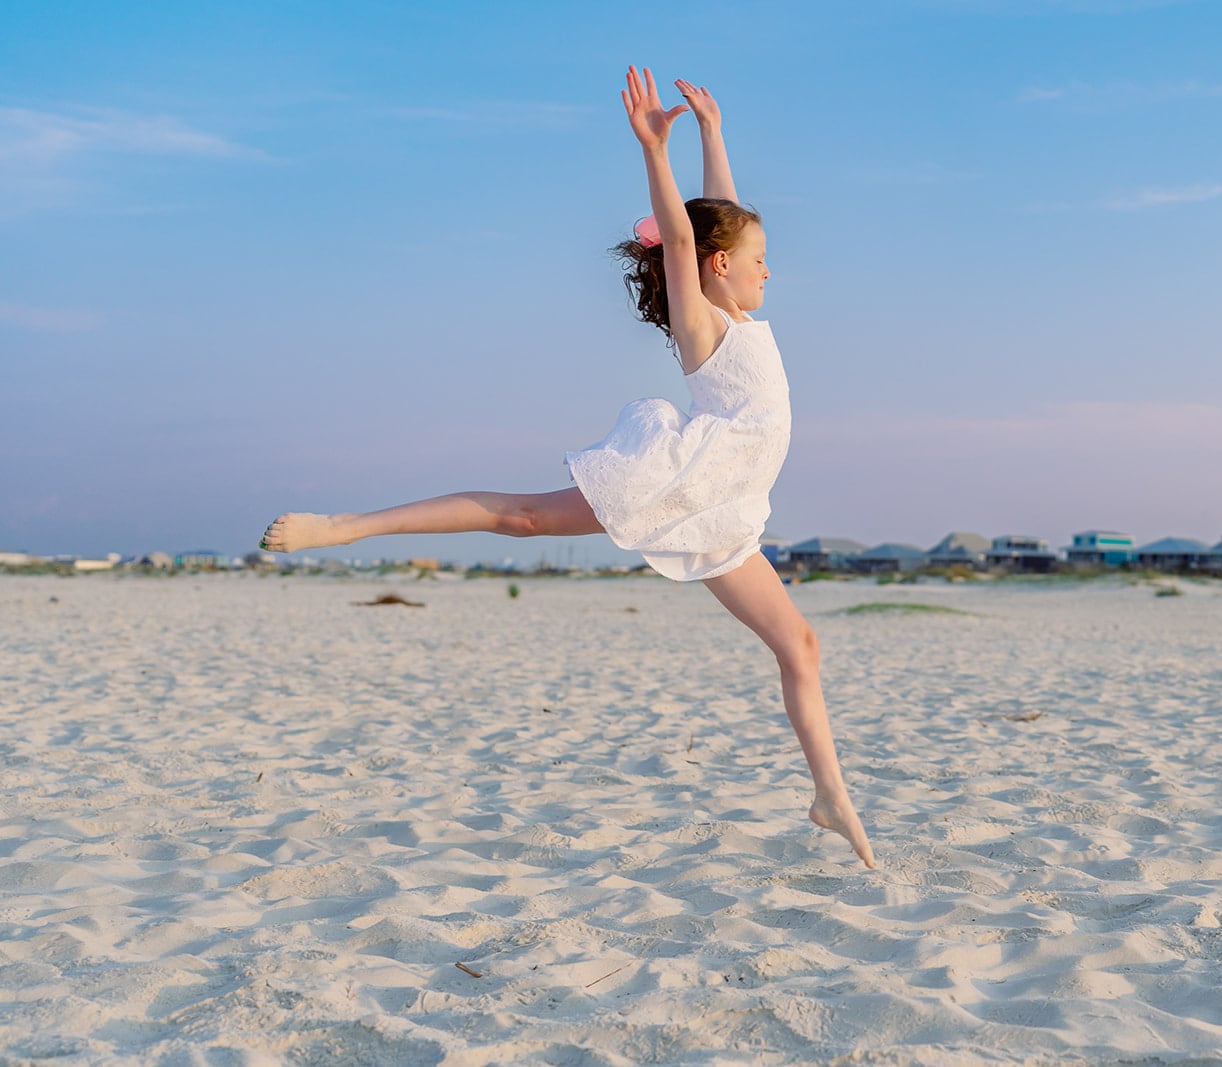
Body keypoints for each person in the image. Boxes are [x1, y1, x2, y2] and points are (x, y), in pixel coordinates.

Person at [260, 66, 876, 869]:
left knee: (800, 646)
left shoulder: (734, 304)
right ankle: (341, 526)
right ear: (718, 267)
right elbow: (690, 236)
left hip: (725, 506)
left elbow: (716, 222)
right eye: (759, 259)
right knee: (520, 516)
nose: (770, 269)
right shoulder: (703, 318)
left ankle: (830, 795)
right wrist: (656, 150)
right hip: (687, 477)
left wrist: (713, 133)